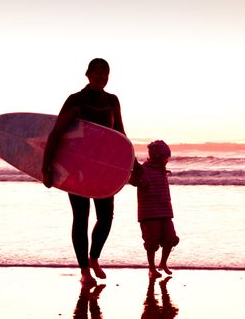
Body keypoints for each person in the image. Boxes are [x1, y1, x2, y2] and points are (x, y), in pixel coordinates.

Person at [42, 58, 127, 285]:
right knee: (81, 217)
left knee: (106, 217)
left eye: (106, 74)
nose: (102, 78)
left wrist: (132, 166)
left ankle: (94, 257)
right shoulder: (76, 100)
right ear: (88, 74)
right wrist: (46, 167)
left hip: (103, 169)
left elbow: (120, 135)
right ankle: (84, 271)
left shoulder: (112, 101)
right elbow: (56, 133)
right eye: (98, 73)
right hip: (77, 170)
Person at [129, 140, 180, 278]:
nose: (167, 160)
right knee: (151, 242)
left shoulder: (162, 170)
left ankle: (163, 263)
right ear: (158, 157)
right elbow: (133, 180)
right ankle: (151, 268)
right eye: (165, 157)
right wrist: (136, 177)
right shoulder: (144, 170)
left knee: (171, 238)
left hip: (165, 211)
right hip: (149, 213)